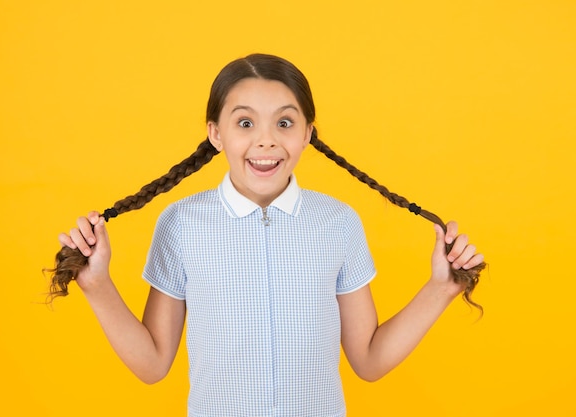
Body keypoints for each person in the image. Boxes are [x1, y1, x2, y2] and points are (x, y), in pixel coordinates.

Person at [52, 53, 485, 417]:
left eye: (284, 123)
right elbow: (152, 364)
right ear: (215, 133)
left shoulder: (337, 222)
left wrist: (440, 288)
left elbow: (369, 360)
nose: (265, 142)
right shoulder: (181, 224)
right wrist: (97, 284)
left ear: (308, 133)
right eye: (244, 124)